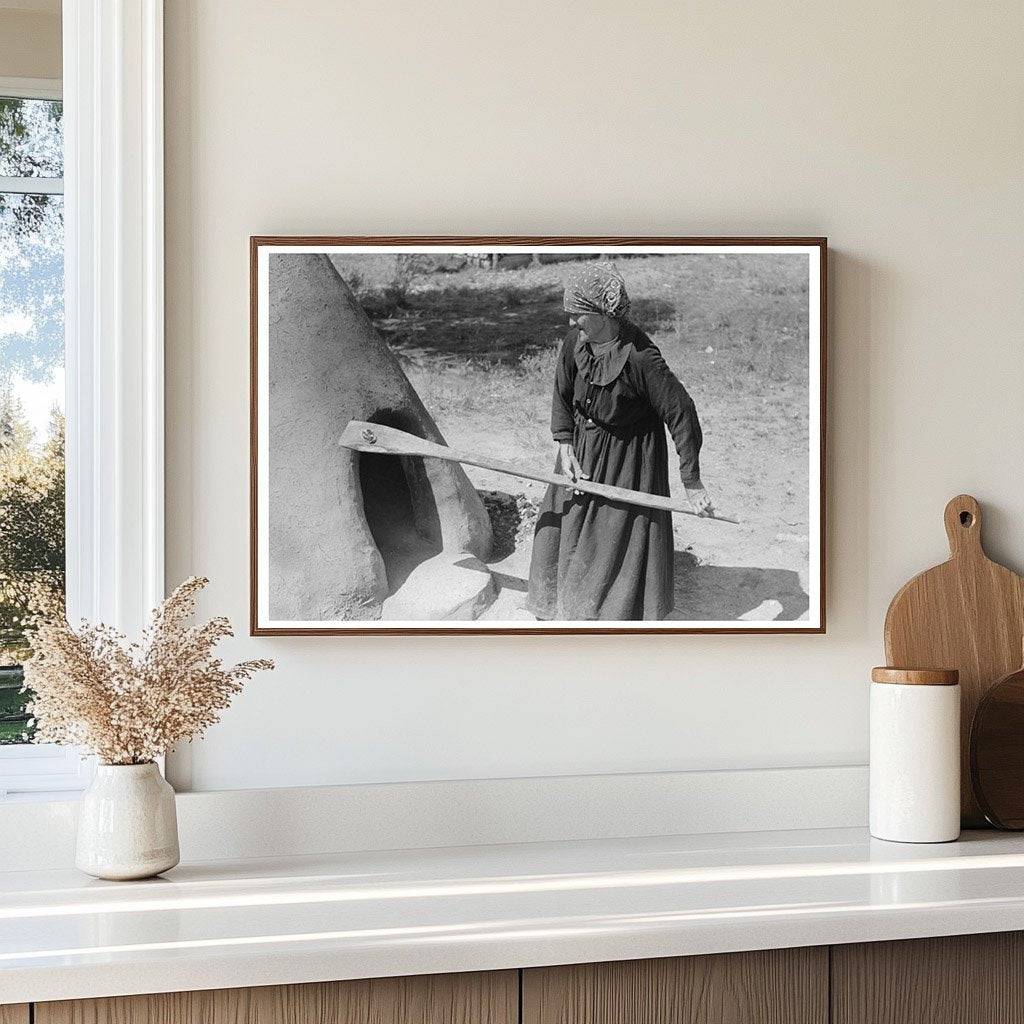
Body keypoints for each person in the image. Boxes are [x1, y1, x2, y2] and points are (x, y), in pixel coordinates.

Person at [526, 262, 712, 621]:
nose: (571, 322)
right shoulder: (575, 343)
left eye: (577, 314)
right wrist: (564, 443)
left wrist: (692, 481)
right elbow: (561, 392)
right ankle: (559, 603)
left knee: (609, 539)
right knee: (561, 524)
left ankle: (608, 614)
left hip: (627, 460)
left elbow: (681, 412)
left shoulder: (641, 358)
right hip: (582, 449)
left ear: (602, 313)